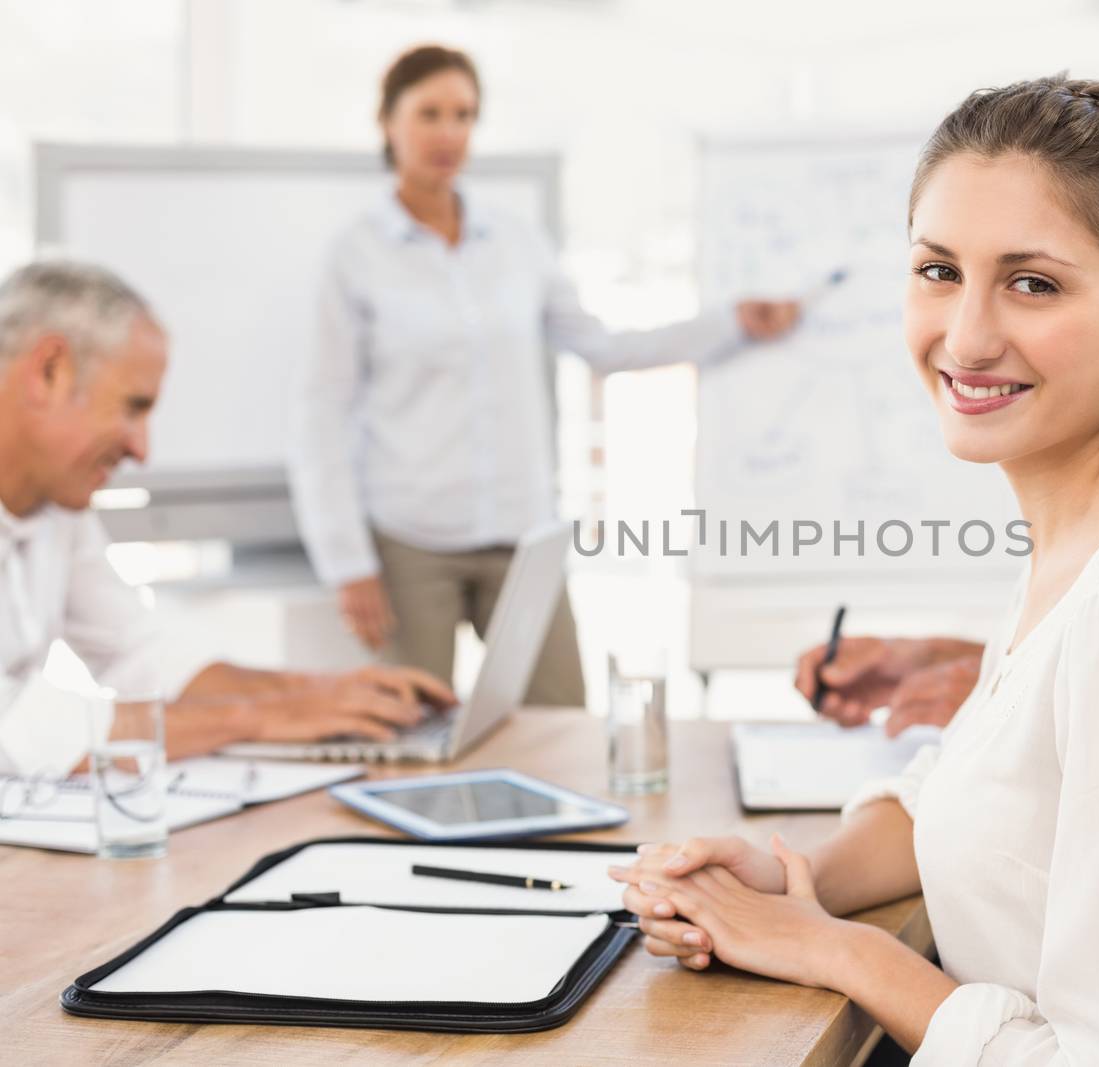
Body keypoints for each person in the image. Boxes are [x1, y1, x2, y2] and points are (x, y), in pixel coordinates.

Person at [610, 76, 1099, 1063]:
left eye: (1033, 282)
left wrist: (840, 952)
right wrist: (788, 872)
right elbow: (973, 787)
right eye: (937, 270)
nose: (965, 336)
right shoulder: (1091, 539)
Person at [289, 44, 799, 703]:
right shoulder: (354, 256)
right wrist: (346, 563)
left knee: (563, 730)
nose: (449, 133)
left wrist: (731, 323)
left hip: (521, 535)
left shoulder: (514, 241)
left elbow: (603, 345)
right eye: (430, 113)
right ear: (389, 122)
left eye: (464, 115)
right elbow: (320, 412)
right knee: (416, 736)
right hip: (412, 542)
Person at [0, 261, 456, 772]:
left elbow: (139, 649)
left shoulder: (56, 508)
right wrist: (257, 717)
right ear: (49, 370)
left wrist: (319, 692)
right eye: (133, 407)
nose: (141, 448)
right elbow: (19, 730)